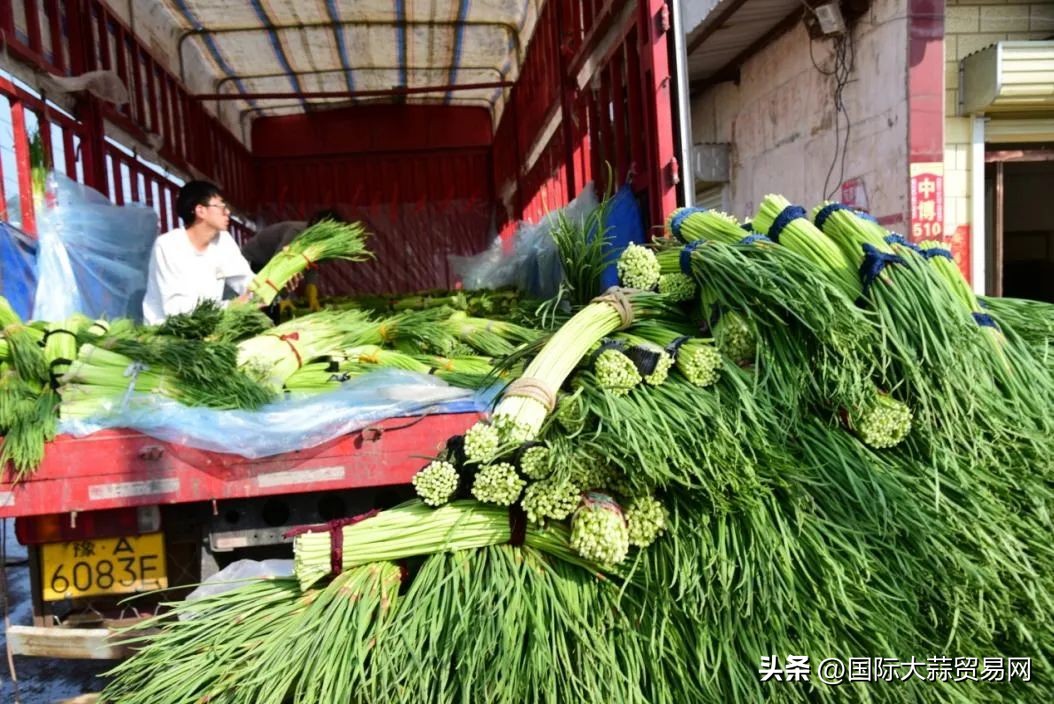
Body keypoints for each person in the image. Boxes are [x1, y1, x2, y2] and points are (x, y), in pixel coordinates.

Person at [142, 181, 257, 324]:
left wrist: (274, 281)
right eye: (221, 206)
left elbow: (245, 280)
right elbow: (176, 309)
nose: (227, 212)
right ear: (200, 210)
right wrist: (231, 306)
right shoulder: (168, 245)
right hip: (168, 332)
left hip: (208, 326)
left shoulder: (223, 241)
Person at [241, 209, 342, 313]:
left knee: (268, 305)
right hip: (254, 260)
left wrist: (312, 299)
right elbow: (279, 264)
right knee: (260, 304)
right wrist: (283, 299)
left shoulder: (316, 243)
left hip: (270, 267)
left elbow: (311, 268)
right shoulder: (296, 232)